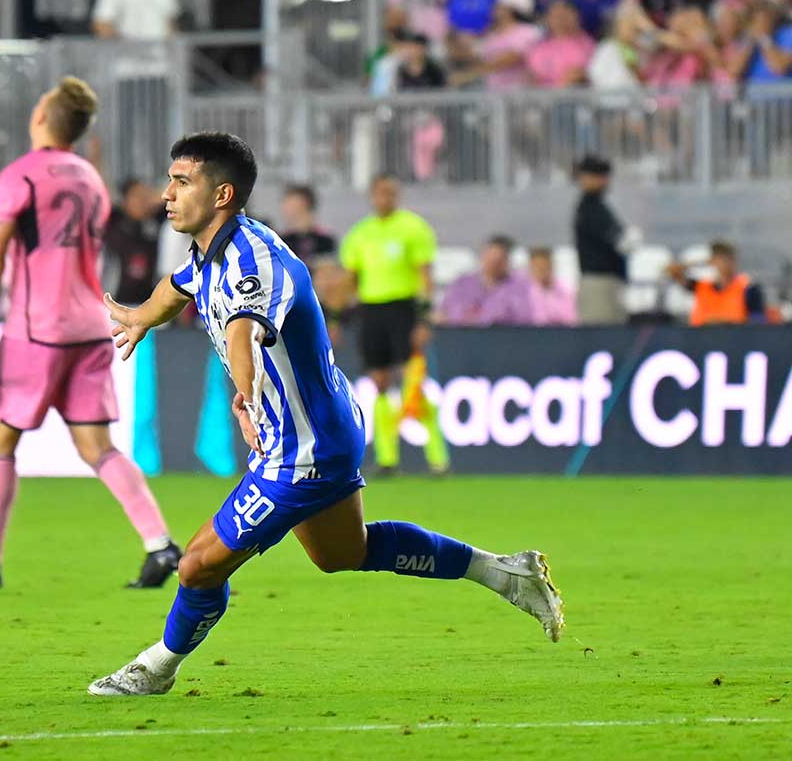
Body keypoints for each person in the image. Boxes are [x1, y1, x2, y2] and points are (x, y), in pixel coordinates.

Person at [88, 132, 563, 697]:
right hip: (324, 428)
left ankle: (156, 667)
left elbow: (242, 332)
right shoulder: (213, 249)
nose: (167, 193)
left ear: (222, 194)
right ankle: (506, 572)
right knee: (343, 553)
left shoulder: (251, 259)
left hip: (303, 448)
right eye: (169, 179)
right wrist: (143, 316)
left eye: (181, 181)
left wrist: (244, 397)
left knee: (196, 566)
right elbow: (179, 286)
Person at [0, 77, 181, 591]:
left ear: (43, 117)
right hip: (90, 326)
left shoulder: (19, 175)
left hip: (36, 329)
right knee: (97, 445)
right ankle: (160, 545)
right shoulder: (89, 178)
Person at [339, 175, 447, 476]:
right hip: (371, 310)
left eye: (390, 193)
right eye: (379, 193)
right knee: (380, 382)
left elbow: (425, 275)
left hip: (403, 309)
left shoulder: (413, 228)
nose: (384, 198)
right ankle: (387, 459)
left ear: (396, 195)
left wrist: (424, 317)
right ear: (372, 196)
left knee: (412, 381)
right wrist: (336, 317)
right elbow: (351, 280)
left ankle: (437, 458)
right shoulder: (359, 235)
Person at [573, 155, 635, 324]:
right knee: (601, 335)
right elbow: (621, 242)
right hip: (598, 284)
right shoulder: (590, 209)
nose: (604, 181)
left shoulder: (597, 207)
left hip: (608, 283)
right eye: (598, 176)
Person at [450, 0, 542, 91]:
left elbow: (509, 59)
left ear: (510, 10)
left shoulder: (528, 32)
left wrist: (469, 75)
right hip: (493, 93)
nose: (495, 9)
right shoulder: (493, 34)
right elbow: (479, 56)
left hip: (519, 93)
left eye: (499, 6)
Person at [666, 240, 768, 325]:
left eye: (726, 259)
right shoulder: (702, 286)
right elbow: (672, 271)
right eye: (718, 259)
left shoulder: (748, 288)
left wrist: (723, 322)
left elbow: (758, 321)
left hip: (735, 339)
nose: (723, 263)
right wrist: (701, 262)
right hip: (701, 338)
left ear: (734, 261)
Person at [441, 236, 535, 325]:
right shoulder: (462, 283)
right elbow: (443, 312)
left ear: (507, 261)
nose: (493, 264)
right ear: (483, 256)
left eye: (499, 260)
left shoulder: (518, 287)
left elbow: (523, 318)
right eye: (491, 257)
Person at [103, 178, 165, 305]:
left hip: (147, 307)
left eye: (145, 197)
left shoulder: (155, 226)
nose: (143, 202)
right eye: (137, 197)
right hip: (114, 305)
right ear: (124, 200)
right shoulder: (112, 224)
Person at [526, 0, 595, 88]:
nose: (560, 20)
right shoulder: (539, 47)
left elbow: (578, 75)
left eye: (564, 15)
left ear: (576, 16)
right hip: (542, 98)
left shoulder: (586, 44)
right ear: (547, 19)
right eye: (555, 16)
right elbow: (532, 77)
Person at [277, 184, 336, 266]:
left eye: (290, 203)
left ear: (304, 204)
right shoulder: (281, 241)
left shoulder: (325, 240)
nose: (284, 208)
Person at [527, 247, 577, 326]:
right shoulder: (523, 291)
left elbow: (570, 319)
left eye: (544, 266)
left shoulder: (564, 290)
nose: (540, 269)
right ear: (531, 267)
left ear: (551, 266)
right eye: (537, 266)